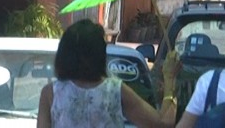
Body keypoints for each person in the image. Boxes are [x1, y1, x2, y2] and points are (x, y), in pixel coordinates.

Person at [37, 18, 179, 128]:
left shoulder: (51, 93)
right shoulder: (115, 91)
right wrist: (170, 78)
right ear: (99, 55)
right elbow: (163, 124)